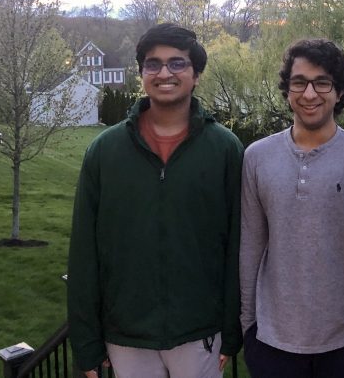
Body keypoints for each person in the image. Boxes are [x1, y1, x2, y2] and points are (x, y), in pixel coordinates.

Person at [67, 23, 244, 378]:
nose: (165, 73)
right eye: (153, 64)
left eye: (177, 63)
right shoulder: (104, 152)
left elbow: (238, 247)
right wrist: (86, 342)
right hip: (127, 336)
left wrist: (231, 329)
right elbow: (84, 253)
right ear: (142, 74)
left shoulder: (225, 150)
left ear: (196, 75)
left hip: (199, 334)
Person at [239, 38, 344, 378]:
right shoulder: (257, 157)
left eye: (322, 82)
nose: (309, 94)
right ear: (287, 89)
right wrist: (249, 326)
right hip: (272, 345)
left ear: (338, 92)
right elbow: (251, 246)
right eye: (299, 82)